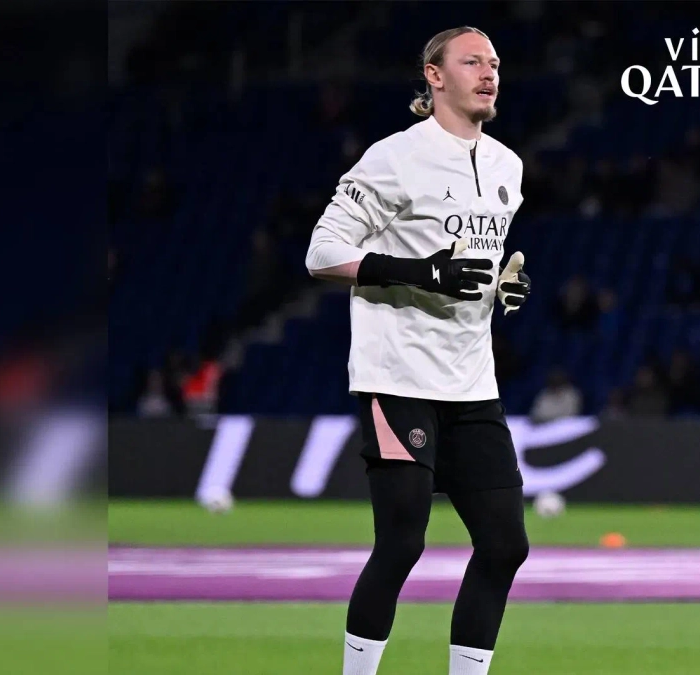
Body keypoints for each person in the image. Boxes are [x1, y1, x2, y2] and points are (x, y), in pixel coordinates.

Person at [304, 26, 532, 675]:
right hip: (398, 375)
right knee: (403, 541)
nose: (488, 73)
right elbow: (321, 253)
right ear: (434, 76)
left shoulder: (508, 166)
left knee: (505, 544)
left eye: (494, 62)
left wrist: (502, 284)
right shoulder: (394, 157)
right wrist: (423, 273)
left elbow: (472, 264)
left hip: (471, 381)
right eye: (472, 61)